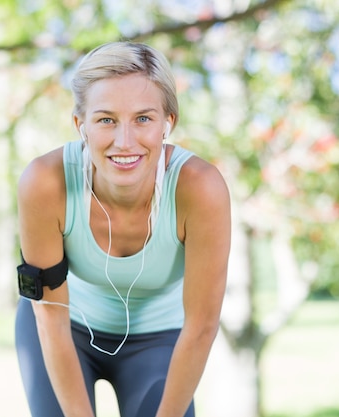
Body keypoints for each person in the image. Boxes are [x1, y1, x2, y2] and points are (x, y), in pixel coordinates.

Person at [15, 41, 231, 417]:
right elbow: (49, 314)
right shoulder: (45, 183)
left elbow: (201, 325)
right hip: (65, 328)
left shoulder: (200, 189)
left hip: (160, 339)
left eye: (143, 119)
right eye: (106, 120)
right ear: (80, 124)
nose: (125, 141)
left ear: (168, 122)